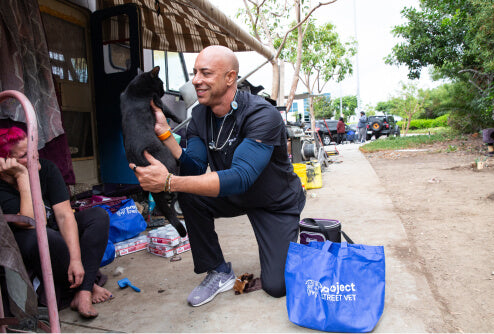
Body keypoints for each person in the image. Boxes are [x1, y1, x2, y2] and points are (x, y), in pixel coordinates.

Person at [131, 45, 306, 307]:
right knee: (191, 192)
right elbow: (195, 167)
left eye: (206, 73)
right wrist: (166, 134)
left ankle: (291, 240)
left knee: (277, 286)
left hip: (274, 202)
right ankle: (219, 270)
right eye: (195, 72)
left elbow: (241, 177)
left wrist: (168, 181)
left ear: (230, 78)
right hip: (235, 195)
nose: (196, 80)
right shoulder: (200, 115)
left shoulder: (261, 114)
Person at [0, 126, 112, 319]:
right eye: (25, 155)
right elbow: (33, 223)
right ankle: (89, 284)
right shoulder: (4, 184)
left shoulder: (47, 169)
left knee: (98, 216)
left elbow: (64, 215)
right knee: (46, 237)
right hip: (25, 241)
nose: (34, 157)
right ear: (6, 162)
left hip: (52, 233)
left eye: (34, 150)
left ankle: (83, 292)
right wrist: (23, 177)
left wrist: (76, 260)